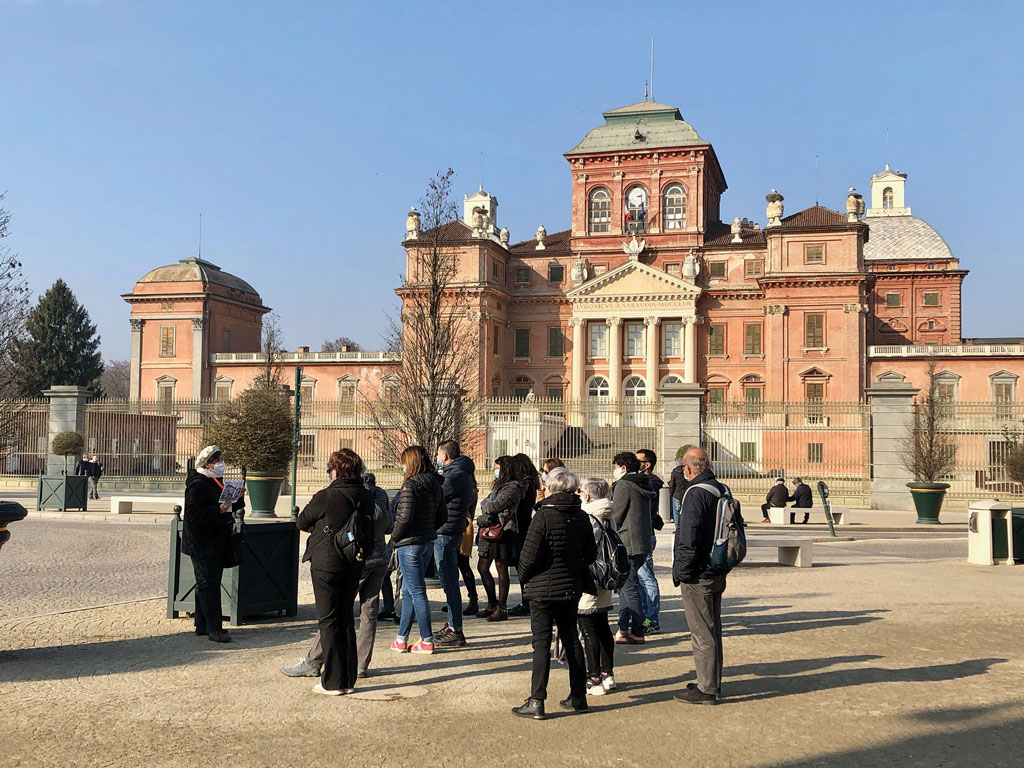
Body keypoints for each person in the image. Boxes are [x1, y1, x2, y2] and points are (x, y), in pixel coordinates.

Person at [282, 471, 393, 681]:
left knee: (336, 611)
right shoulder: (379, 495)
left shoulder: (347, 495)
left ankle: (314, 661)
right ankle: (360, 664)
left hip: (358, 557)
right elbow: (388, 525)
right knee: (369, 611)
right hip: (379, 555)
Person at [512, 467, 596, 720]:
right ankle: (579, 696)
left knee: (541, 643)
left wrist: (526, 579)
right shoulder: (580, 516)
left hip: (542, 588)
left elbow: (526, 558)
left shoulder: (544, 516)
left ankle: (537, 699)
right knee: (571, 638)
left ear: (550, 488)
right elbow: (590, 554)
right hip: (570, 585)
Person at [294, 449, 373, 695]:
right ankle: (348, 678)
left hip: (327, 563)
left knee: (328, 622)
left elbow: (301, 521)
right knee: (347, 619)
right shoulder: (366, 495)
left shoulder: (327, 495)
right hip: (354, 561)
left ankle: (332, 681)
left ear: (336, 471)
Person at [673, 447, 727, 705]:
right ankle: (712, 682)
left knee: (701, 632)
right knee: (713, 628)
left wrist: (682, 571)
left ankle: (707, 689)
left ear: (688, 468)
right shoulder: (721, 489)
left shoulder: (694, 494)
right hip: (717, 566)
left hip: (698, 572)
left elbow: (688, 536)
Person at [181, 445, 244, 644]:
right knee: (209, 584)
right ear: (208, 463)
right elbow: (192, 515)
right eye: (218, 461)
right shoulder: (197, 484)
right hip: (201, 542)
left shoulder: (215, 481)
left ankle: (202, 624)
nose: (221, 464)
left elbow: (226, 506)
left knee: (206, 583)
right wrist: (218, 509)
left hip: (215, 539)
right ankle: (215, 629)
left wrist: (238, 499)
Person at [390, 445, 445, 655]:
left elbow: (403, 518)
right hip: (426, 542)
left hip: (409, 543)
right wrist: (430, 529)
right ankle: (401, 638)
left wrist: (395, 538)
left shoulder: (410, 485)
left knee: (417, 591)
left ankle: (426, 639)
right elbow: (442, 515)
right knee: (409, 591)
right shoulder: (434, 484)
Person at [434, 439, 477, 647]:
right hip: (452, 528)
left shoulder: (454, 475)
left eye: (438, 454)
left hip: (446, 531)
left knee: (449, 582)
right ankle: (452, 624)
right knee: (449, 581)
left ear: (445, 456)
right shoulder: (461, 472)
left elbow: (438, 498)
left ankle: (456, 629)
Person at [577, 477, 617, 696]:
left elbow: (584, 548)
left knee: (589, 628)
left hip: (590, 577)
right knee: (602, 626)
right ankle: (607, 673)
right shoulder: (608, 515)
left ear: (587, 495)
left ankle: (594, 679)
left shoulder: (589, 516)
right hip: (605, 577)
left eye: (580, 492)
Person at [610, 451, 655, 645]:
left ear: (624, 468)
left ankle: (637, 630)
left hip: (627, 541)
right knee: (628, 586)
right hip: (641, 541)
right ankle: (623, 629)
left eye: (615, 466)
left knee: (629, 588)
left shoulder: (623, 485)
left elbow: (616, 515)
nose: (614, 470)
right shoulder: (641, 483)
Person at [476, 456, 525, 622]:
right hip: (490, 528)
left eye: (498, 468)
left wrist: (489, 505)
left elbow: (493, 505)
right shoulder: (499, 486)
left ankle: (502, 607)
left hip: (504, 530)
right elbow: (485, 502)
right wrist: (488, 505)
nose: (495, 471)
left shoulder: (513, 487)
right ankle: (492, 603)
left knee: (501, 568)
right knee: (482, 567)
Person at [508, 453, 542, 617]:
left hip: (521, 527)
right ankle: (526, 601)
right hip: (525, 524)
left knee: (522, 566)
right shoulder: (530, 483)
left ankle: (526, 601)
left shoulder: (524, 485)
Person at [635, 448, 663, 636]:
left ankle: (651, 619)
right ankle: (644, 615)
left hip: (645, 535)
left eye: (637, 462)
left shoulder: (650, 483)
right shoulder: (645, 482)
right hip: (640, 534)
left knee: (646, 578)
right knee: (639, 578)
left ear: (647, 465)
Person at [668, 454, 689, 525]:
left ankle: (677, 528)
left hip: (676, 494)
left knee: (676, 512)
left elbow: (672, 484)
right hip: (685, 494)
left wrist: (671, 493)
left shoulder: (675, 472)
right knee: (684, 512)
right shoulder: (686, 472)